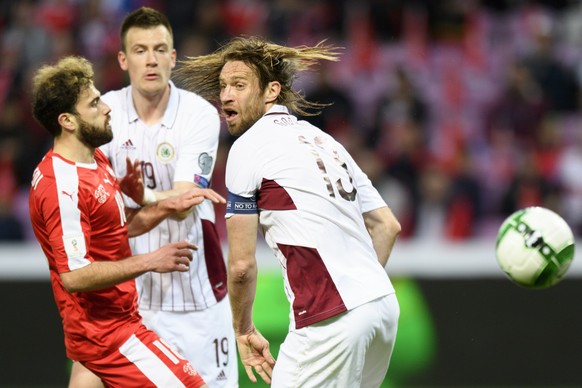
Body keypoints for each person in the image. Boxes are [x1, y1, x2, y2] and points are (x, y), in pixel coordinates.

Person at [177, 37, 402, 387]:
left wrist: (243, 329)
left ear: (272, 91)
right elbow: (387, 226)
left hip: (329, 317)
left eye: (239, 85)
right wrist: (361, 295)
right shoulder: (324, 140)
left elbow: (239, 267)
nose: (226, 96)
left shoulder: (248, 148)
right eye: (223, 86)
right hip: (383, 307)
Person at [29, 55, 227, 387]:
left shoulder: (95, 160)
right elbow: (75, 276)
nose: (106, 108)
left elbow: (117, 228)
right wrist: (151, 260)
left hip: (117, 320)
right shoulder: (60, 186)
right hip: (106, 334)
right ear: (67, 121)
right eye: (94, 104)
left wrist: (165, 204)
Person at [65, 7, 237, 388]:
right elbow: (98, 220)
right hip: (130, 302)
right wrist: (152, 201)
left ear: (173, 57)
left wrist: (141, 197)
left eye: (160, 49)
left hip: (196, 297)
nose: (152, 59)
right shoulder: (101, 114)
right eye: (140, 50)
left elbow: (183, 204)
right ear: (123, 59)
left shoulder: (199, 115)